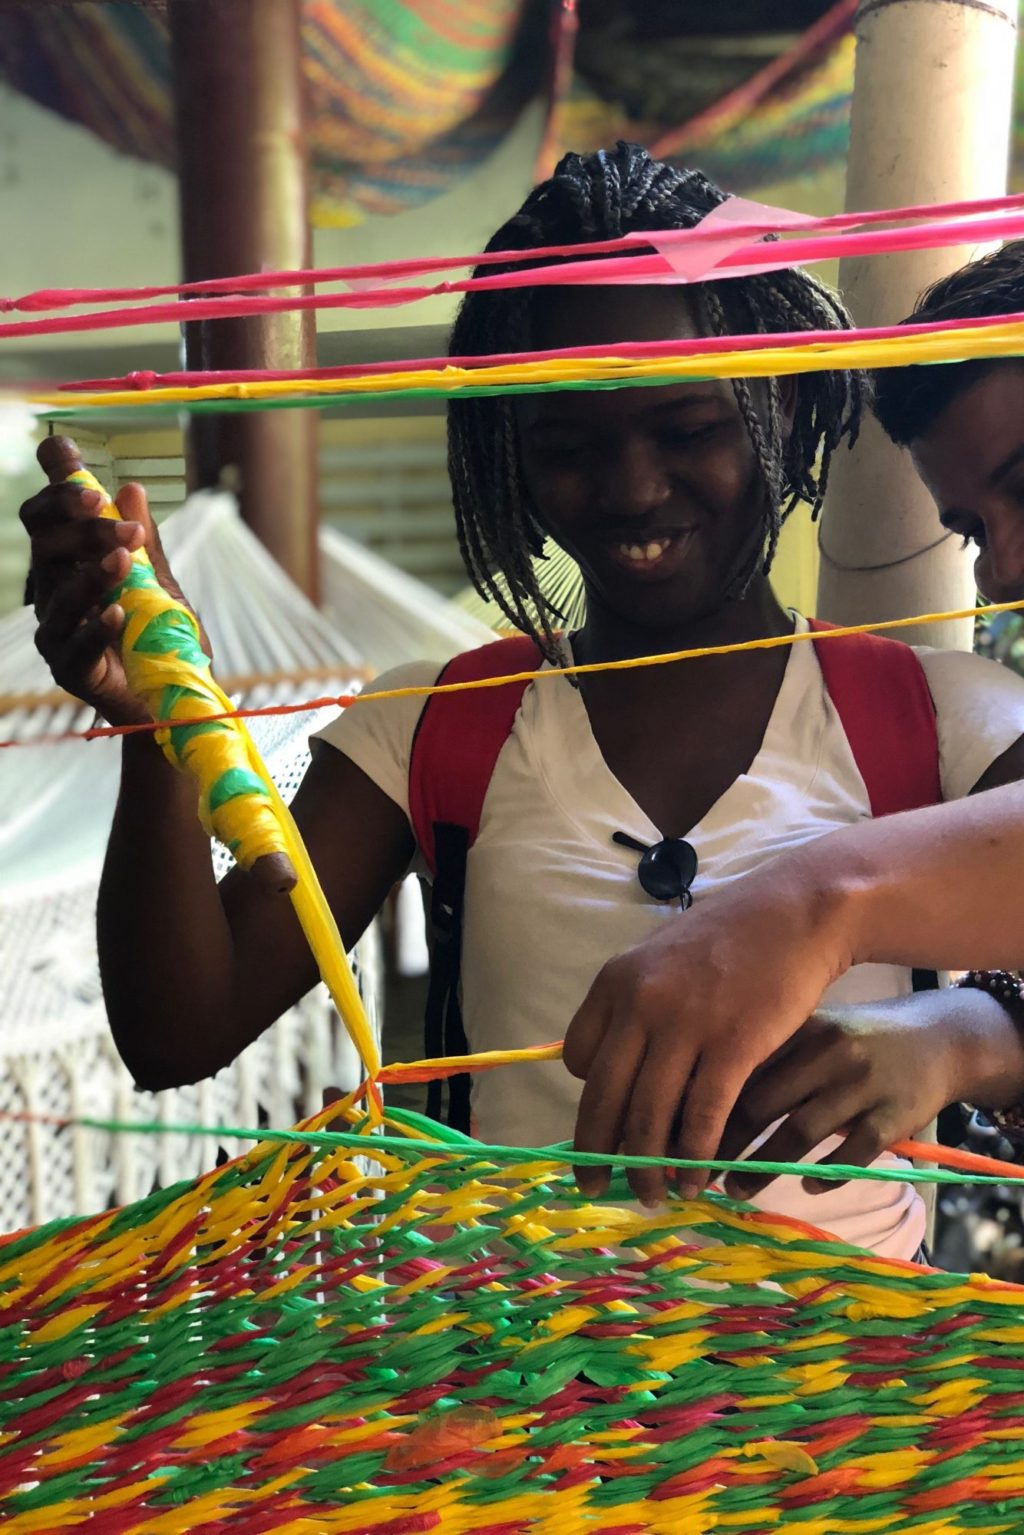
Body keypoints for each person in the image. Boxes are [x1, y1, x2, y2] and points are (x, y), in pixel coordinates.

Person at [21, 146, 1024, 1262]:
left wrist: (966, 1027)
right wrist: (161, 710)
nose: (633, 486)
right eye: (567, 445)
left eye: (687, 427)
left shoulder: (940, 716)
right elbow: (178, 1025)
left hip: (850, 1416)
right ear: (510, 453)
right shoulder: (440, 725)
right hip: (527, 1410)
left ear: (778, 410)